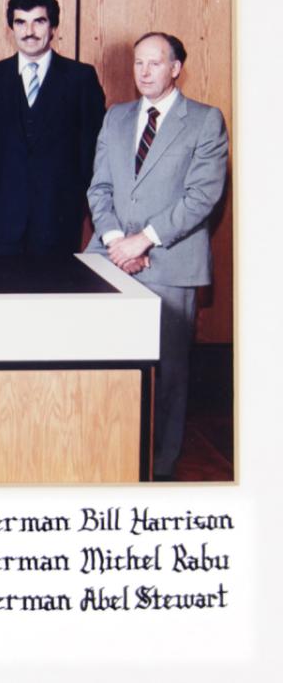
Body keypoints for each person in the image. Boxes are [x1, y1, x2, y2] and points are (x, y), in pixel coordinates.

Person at [86, 32, 228, 479]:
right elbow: (100, 188)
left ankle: (159, 466)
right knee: (100, 360)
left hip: (169, 262)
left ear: (175, 68)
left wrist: (142, 240)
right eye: (138, 64)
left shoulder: (205, 121)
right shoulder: (116, 117)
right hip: (109, 257)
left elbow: (202, 197)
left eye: (154, 63)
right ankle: (107, 452)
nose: (144, 72)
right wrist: (114, 241)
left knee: (167, 372)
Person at [0, 0, 105, 255]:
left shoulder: (81, 78)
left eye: (39, 21)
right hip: (3, 222)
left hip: (59, 219)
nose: (29, 31)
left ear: (53, 26)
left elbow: (92, 150)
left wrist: (77, 203)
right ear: (11, 28)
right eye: (20, 22)